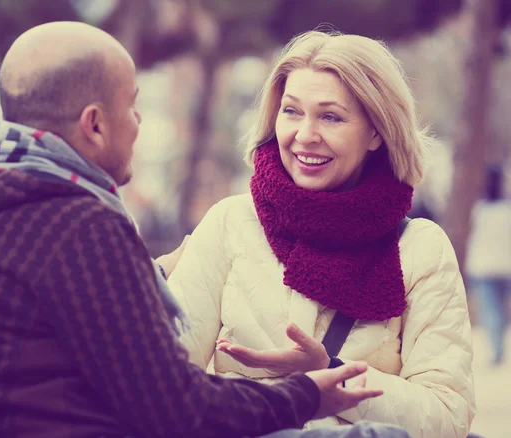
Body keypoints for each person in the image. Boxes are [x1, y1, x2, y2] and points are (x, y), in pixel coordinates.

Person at [0, 21, 412, 438]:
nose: (139, 119)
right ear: (95, 124)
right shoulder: (81, 227)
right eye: (131, 104)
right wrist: (305, 395)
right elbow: (177, 410)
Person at [168, 31, 476, 437]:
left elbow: (448, 417)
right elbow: (166, 384)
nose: (305, 135)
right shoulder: (230, 222)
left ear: (376, 132)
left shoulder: (421, 248)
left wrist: (329, 376)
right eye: (292, 111)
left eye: (330, 117)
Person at [466, 165, 511, 366]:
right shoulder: (506, 210)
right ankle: (498, 347)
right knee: (498, 309)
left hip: (483, 267)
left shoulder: (480, 209)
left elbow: (475, 239)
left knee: (491, 310)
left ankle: (497, 350)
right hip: (504, 266)